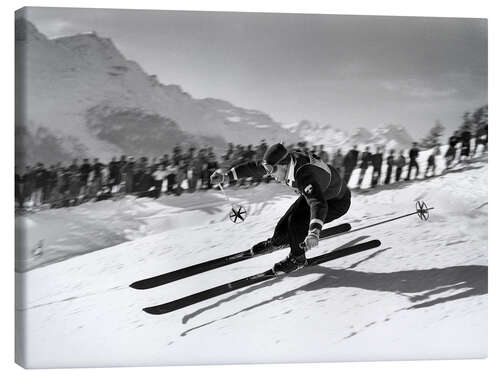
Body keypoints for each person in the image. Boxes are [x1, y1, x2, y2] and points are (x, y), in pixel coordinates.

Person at [210, 143, 351, 274]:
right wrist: (225, 177)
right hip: (318, 193)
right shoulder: (284, 163)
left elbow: (318, 203)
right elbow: (254, 167)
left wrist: (314, 231)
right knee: (285, 222)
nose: (270, 175)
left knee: (297, 223)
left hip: (336, 202)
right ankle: (277, 241)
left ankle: (297, 258)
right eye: (269, 171)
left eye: (272, 171)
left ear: (284, 165)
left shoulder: (304, 174)